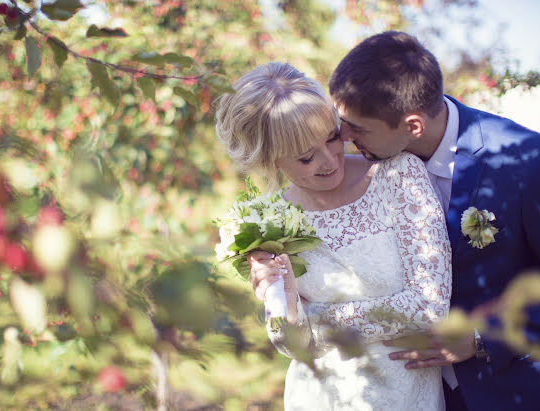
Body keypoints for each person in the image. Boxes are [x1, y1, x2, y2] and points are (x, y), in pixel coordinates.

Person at [320, 31, 540, 410]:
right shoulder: (362, 167)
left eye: (357, 128)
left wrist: (480, 337)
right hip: (402, 392)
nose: (342, 137)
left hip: (506, 390)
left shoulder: (525, 163)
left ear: (413, 126)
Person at [216, 62, 452, 410]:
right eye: (306, 157)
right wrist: (284, 307)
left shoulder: (398, 176)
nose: (329, 161)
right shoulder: (267, 220)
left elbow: (429, 308)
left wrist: (312, 320)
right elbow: (290, 342)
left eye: (331, 138)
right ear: (271, 159)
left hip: (406, 395)